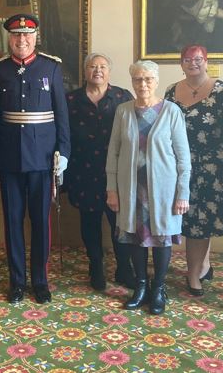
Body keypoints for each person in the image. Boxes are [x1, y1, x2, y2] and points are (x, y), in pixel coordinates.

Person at [0, 14, 70, 304]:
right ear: (9, 38)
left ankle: (40, 281)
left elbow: (61, 116)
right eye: (16, 35)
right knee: (12, 221)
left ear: (36, 38)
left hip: (43, 158)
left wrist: (65, 152)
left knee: (40, 222)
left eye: (27, 36)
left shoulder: (51, 67)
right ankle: (17, 281)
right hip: (9, 158)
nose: (22, 40)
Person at [106, 60, 191, 314]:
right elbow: (114, 152)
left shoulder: (171, 111)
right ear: (132, 82)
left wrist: (182, 193)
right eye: (137, 80)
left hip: (163, 190)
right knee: (135, 237)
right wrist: (112, 188)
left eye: (148, 80)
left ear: (156, 81)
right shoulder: (123, 111)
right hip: (131, 188)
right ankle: (140, 286)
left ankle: (159, 289)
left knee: (161, 239)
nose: (142, 84)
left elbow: (183, 157)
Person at [165, 45, 223, 296]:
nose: (193, 63)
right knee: (187, 221)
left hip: (213, 168)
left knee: (201, 224)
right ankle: (203, 266)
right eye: (187, 59)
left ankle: (194, 274)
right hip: (179, 167)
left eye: (198, 59)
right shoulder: (171, 91)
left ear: (206, 61)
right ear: (181, 63)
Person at [65, 53, 135, 291]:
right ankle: (96, 265)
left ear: (109, 71)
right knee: (90, 221)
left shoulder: (122, 97)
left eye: (102, 66)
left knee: (119, 222)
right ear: (85, 71)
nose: (97, 70)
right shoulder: (71, 99)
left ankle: (124, 267)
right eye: (92, 66)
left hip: (116, 171)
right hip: (83, 170)